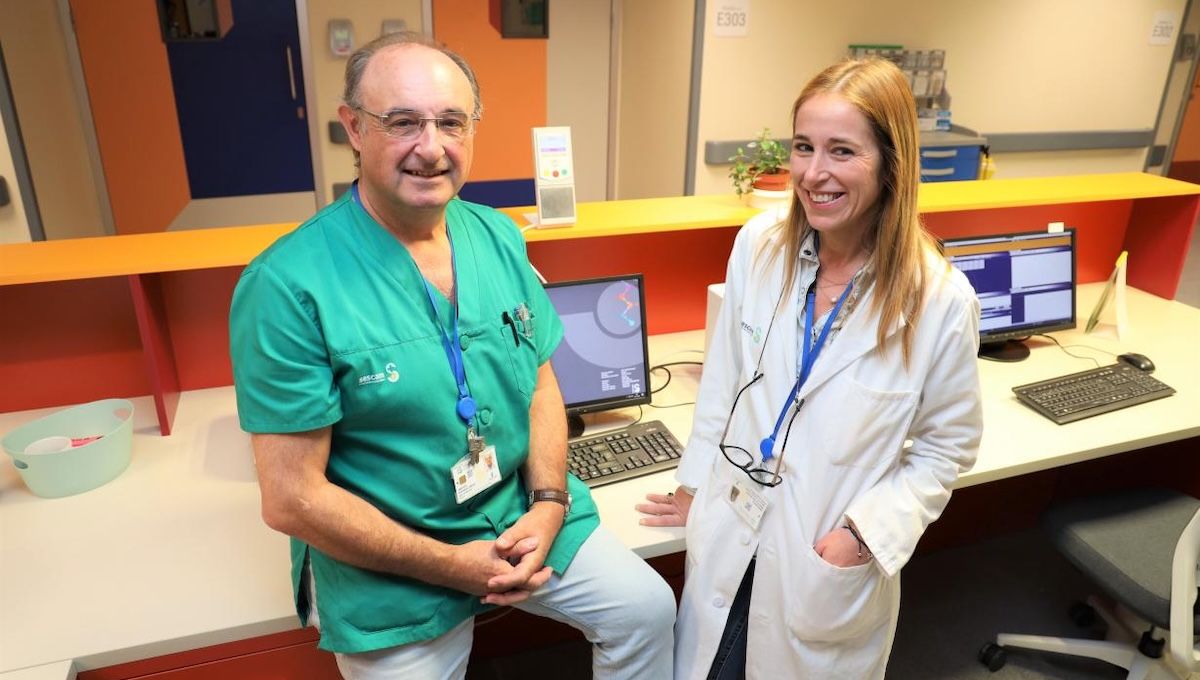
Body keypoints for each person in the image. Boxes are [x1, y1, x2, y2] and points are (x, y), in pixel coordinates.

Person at [229, 32, 675, 680]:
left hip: (520, 512)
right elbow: (292, 499)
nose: (431, 148)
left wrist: (550, 501)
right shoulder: (287, 285)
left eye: (450, 122)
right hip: (393, 556)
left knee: (647, 611)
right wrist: (454, 564)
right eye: (403, 122)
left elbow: (542, 383)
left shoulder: (496, 233)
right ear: (352, 128)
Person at [637, 57, 983, 679]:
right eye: (804, 147)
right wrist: (695, 485)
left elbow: (945, 448)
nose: (814, 174)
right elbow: (725, 378)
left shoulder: (940, 299)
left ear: (890, 163)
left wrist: (864, 534)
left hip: (820, 554)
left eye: (842, 151)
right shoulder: (759, 245)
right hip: (734, 518)